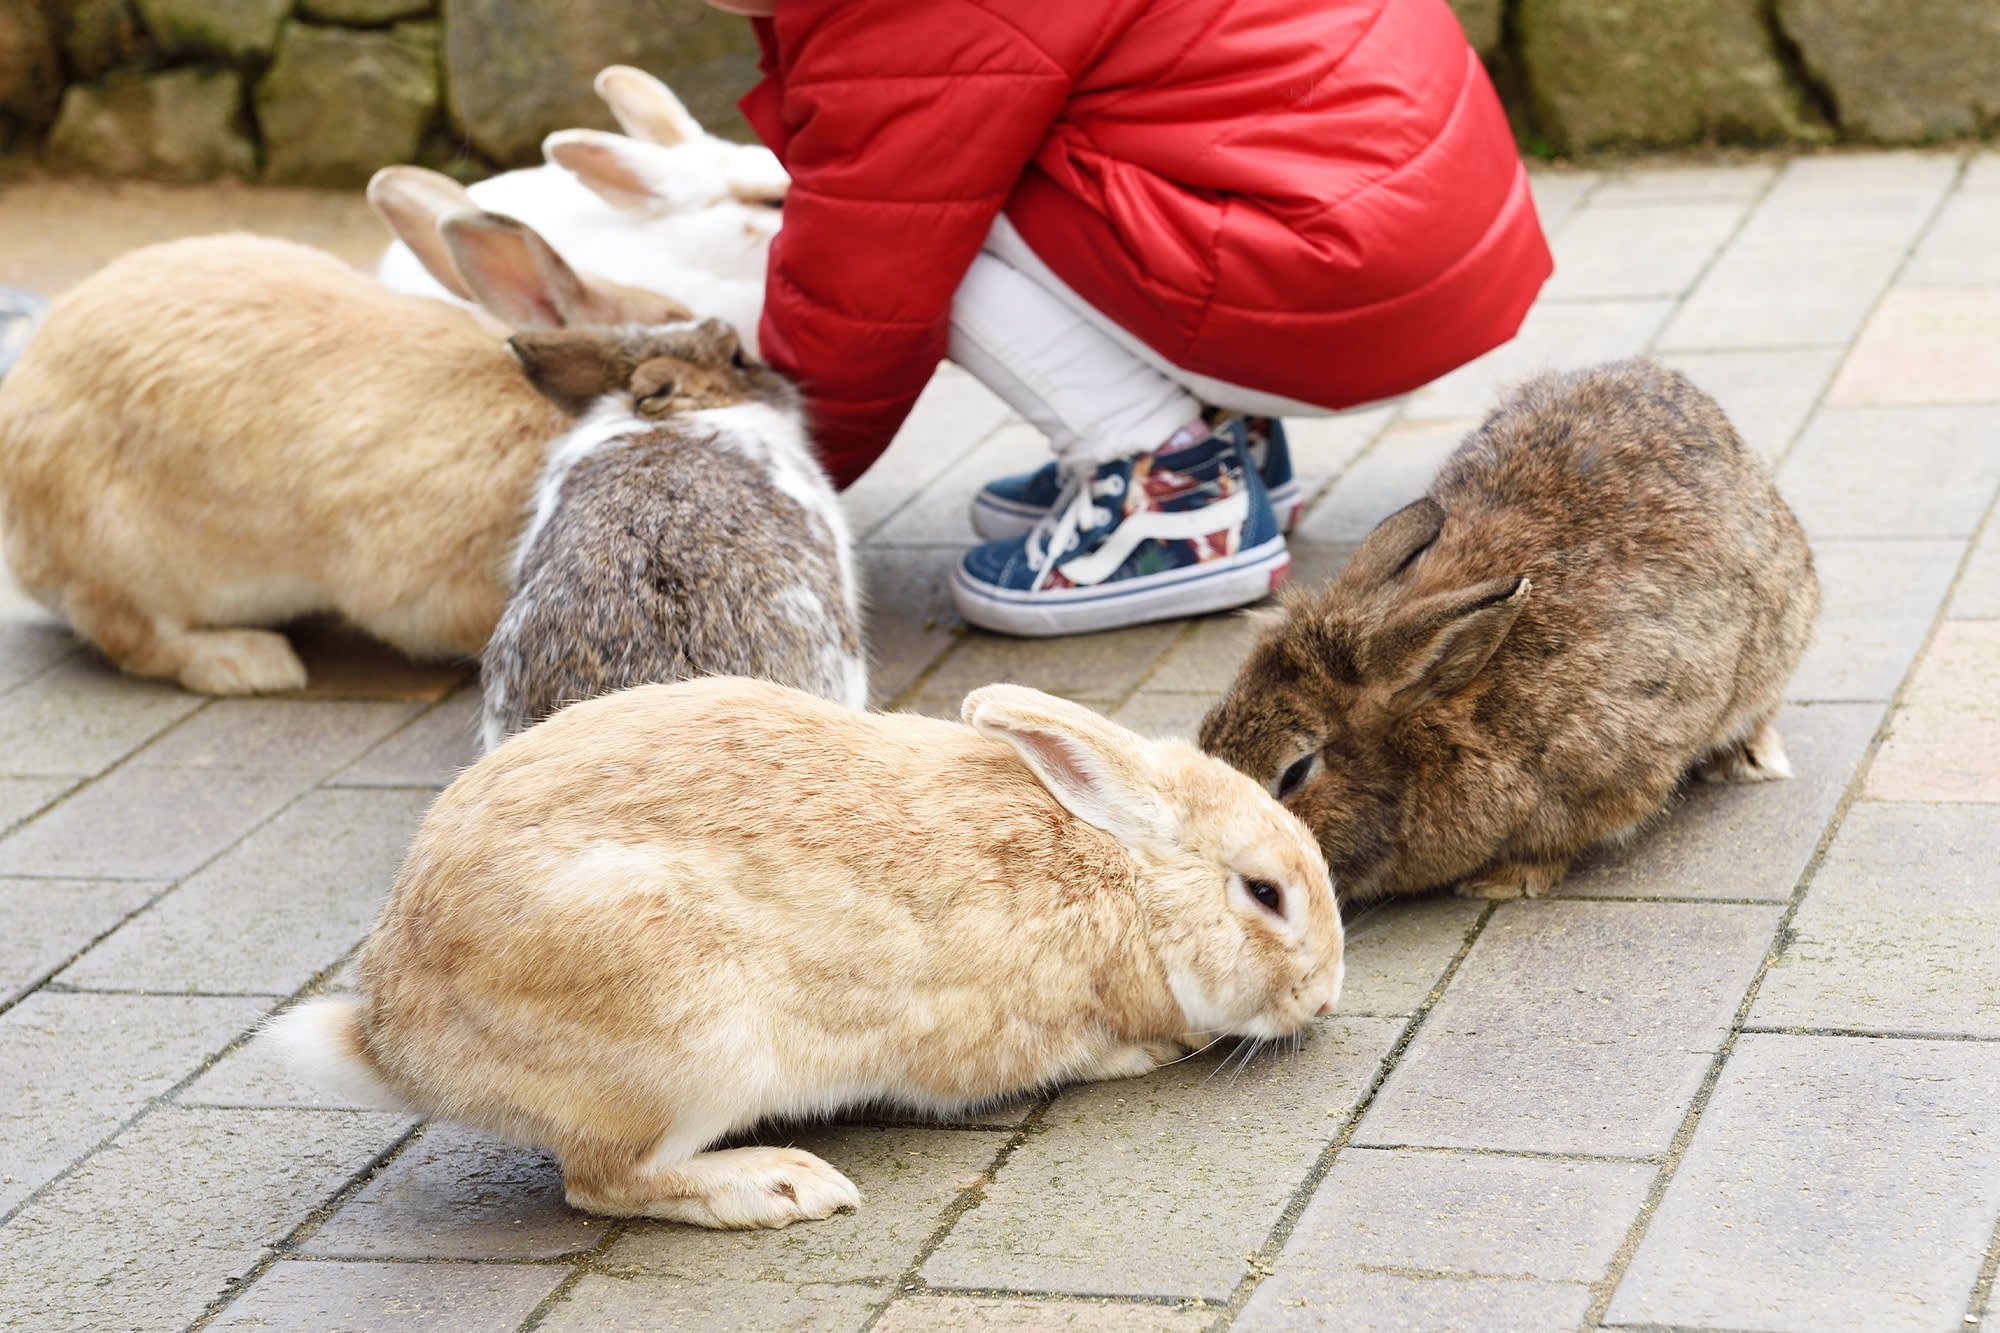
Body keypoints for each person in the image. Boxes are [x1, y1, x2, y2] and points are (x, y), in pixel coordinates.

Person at [711, 0, 1551, 637]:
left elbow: (860, 299)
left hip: (1338, 276)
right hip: (1412, 223)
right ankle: (1228, 435)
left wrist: (746, 496)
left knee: (917, 209)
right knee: (968, 153)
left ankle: (1172, 494)